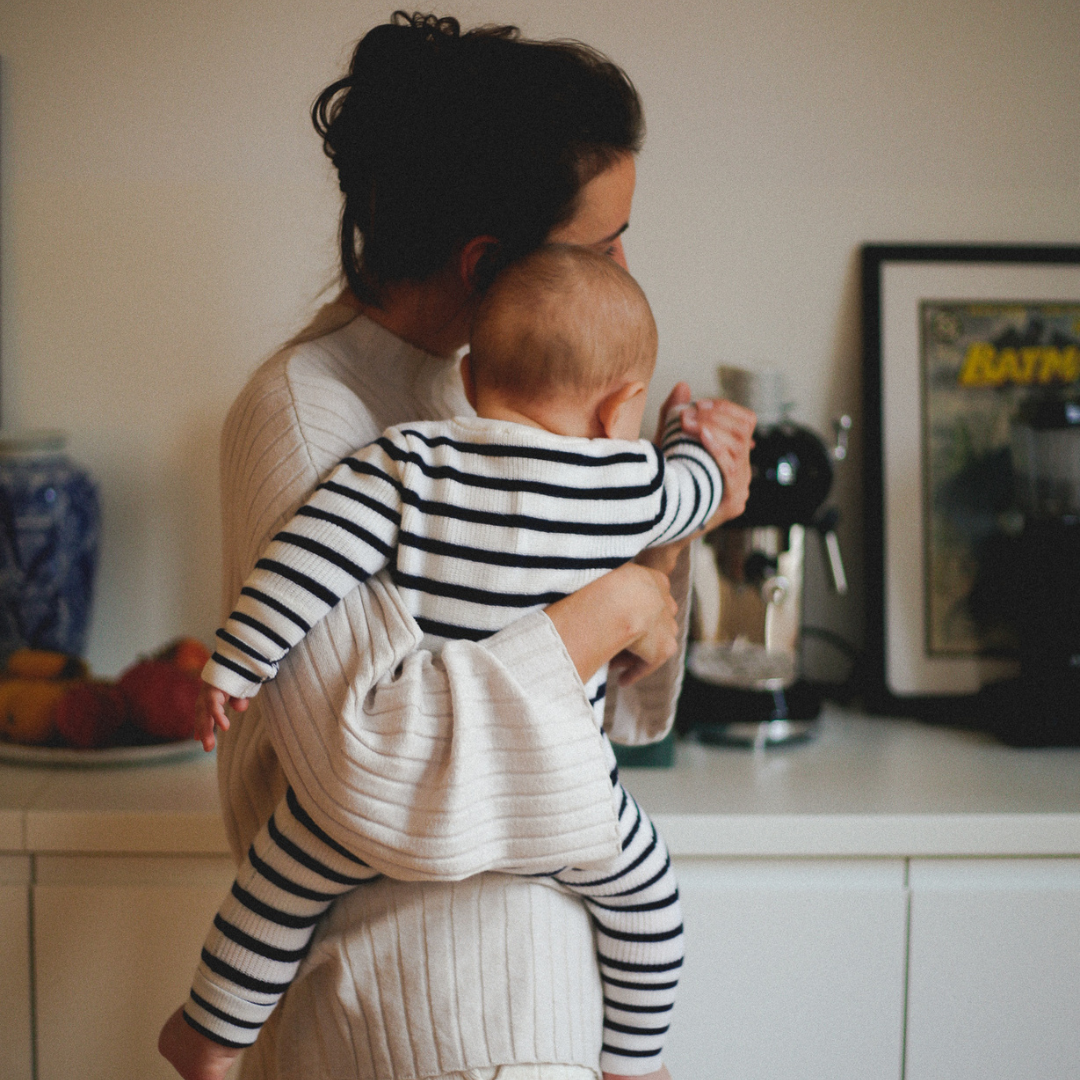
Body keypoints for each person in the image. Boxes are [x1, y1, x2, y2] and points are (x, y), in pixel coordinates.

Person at [159, 13, 754, 1080]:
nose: (623, 268)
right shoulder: (312, 416)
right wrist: (611, 606)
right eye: (603, 245)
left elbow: (596, 713)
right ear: (489, 264)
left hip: (522, 991)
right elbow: (376, 771)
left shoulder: (485, 399)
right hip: (425, 1017)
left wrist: (670, 544)